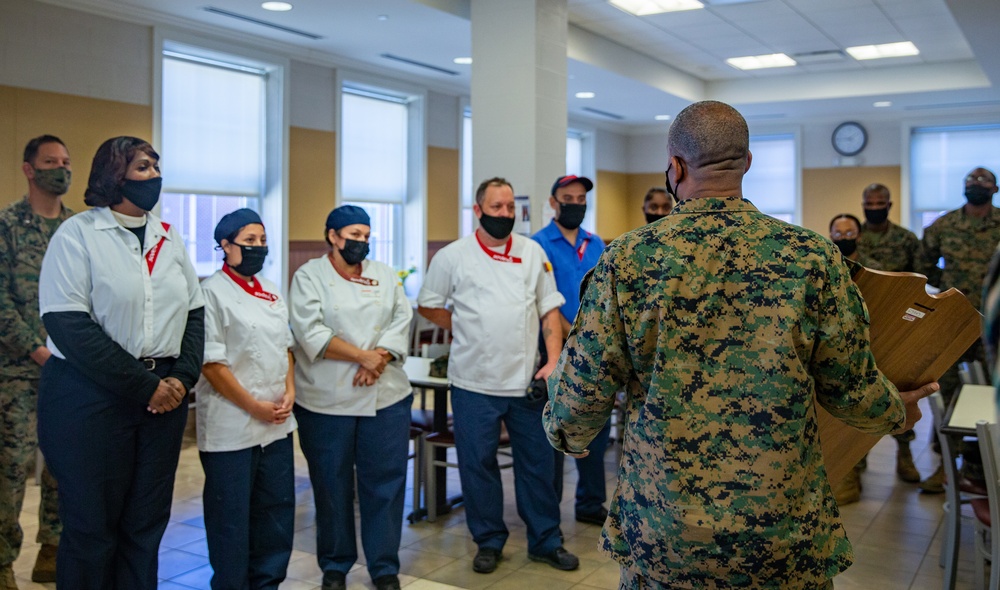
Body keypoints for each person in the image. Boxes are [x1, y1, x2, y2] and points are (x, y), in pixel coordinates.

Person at [543, 101, 938, 589]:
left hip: (667, 535)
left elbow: (577, 402)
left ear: (676, 166)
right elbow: (852, 391)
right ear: (746, 162)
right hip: (783, 536)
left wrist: (569, 436)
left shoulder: (628, 260)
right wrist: (897, 410)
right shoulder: (812, 257)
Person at [36, 136, 205, 589]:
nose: (155, 175)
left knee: (144, 527)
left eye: (155, 166)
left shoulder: (169, 239)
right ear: (115, 175)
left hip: (161, 402)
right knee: (92, 530)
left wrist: (181, 379)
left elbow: (194, 312)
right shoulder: (78, 235)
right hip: (89, 400)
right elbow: (68, 323)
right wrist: (143, 385)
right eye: (143, 167)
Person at [417, 177, 579, 575]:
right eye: (496, 208)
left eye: (510, 208)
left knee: (539, 466)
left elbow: (549, 311)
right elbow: (428, 304)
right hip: (474, 384)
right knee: (477, 466)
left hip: (526, 382)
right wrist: (465, 325)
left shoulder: (531, 251)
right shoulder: (453, 256)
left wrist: (553, 360)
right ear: (478, 211)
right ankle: (488, 540)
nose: (505, 215)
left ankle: (546, 539)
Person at [289, 205, 413, 590]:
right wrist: (363, 356)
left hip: (386, 396)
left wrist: (380, 358)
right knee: (331, 485)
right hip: (326, 401)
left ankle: (384, 566)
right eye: (353, 234)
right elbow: (309, 332)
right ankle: (335, 566)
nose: (361, 241)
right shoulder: (309, 275)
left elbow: (401, 318)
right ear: (332, 236)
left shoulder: (384, 274)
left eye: (365, 234)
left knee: (385, 485)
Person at [195, 209, 296, 590]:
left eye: (262, 241)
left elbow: (285, 348)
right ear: (225, 246)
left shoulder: (271, 289)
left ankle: (267, 583)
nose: (258, 248)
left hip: (277, 422)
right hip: (232, 423)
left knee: (275, 512)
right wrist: (253, 405)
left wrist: (291, 392)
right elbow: (212, 363)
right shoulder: (211, 293)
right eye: (248, 241)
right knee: (231, 516)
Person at [0, 135, 73, 588]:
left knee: (64, 463)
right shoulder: (8, 225)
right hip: (17, 370)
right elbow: (2, 302)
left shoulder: (77, 228)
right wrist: (35, 347)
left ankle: (53, 546)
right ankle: (3, 559)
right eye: (50, 162)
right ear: (30, 169)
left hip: (69, 369)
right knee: (11, 467)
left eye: (66, 161)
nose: (61, 169)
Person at [531, 175, 610, 526]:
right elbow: (544, 303)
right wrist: (576, 338)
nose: (575, 203)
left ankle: (591, 504)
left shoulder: (596, 244)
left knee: (596, 428)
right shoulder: (537, 245)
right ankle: (549, 513)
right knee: (555, 434)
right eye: (568, 197)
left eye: (581, 198)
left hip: (594, 356)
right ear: (553, 202)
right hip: (555, 354)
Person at [916, 167, 1000, 492]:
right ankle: (945, 465)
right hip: (956, 321)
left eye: (982, 182)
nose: (975, 186)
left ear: (994, 189)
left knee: (991, 395)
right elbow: (924, 265)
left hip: (995, 325)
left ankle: (983, 468)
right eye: (970, 182)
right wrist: (950, 287)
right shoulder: (944, 225)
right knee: (947, 392)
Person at [855, 184, 923, 484]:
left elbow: (920, 278)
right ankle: (855, 462)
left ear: (889, 205)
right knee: (861, 393)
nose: (874, 206)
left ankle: (905, 455)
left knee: (901, 388)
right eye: (869, 202)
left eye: (879, 202)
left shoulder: (906, 239)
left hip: (899, 324)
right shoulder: (852, 235)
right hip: (859, 324)